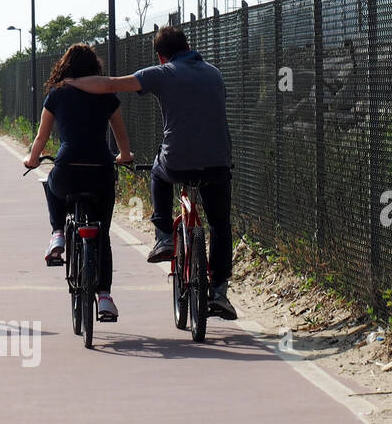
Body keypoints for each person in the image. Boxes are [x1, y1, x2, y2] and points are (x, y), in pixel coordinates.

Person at [61, 25, 237, 321]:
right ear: (188, 46)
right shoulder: (214, 73)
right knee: (220, 225)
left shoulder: (162, 73)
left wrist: (71, 82)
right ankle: (219, 290)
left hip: (177, 160)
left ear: (161, 56)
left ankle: (164, 235)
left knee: (158, 172)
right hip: (218, 161)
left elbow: (109, 85)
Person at [23, 44, 133, 322]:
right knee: (103, 235)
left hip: (68, 168)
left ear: (66, 66)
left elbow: (41, 139)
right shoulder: (107, 96)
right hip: (100, 171)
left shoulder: (57, 94)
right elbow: (121, 136)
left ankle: (58, 232)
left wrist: (32, 160)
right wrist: (124, 156)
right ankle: (105, 297)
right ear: (94, 67)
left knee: (49, 182)